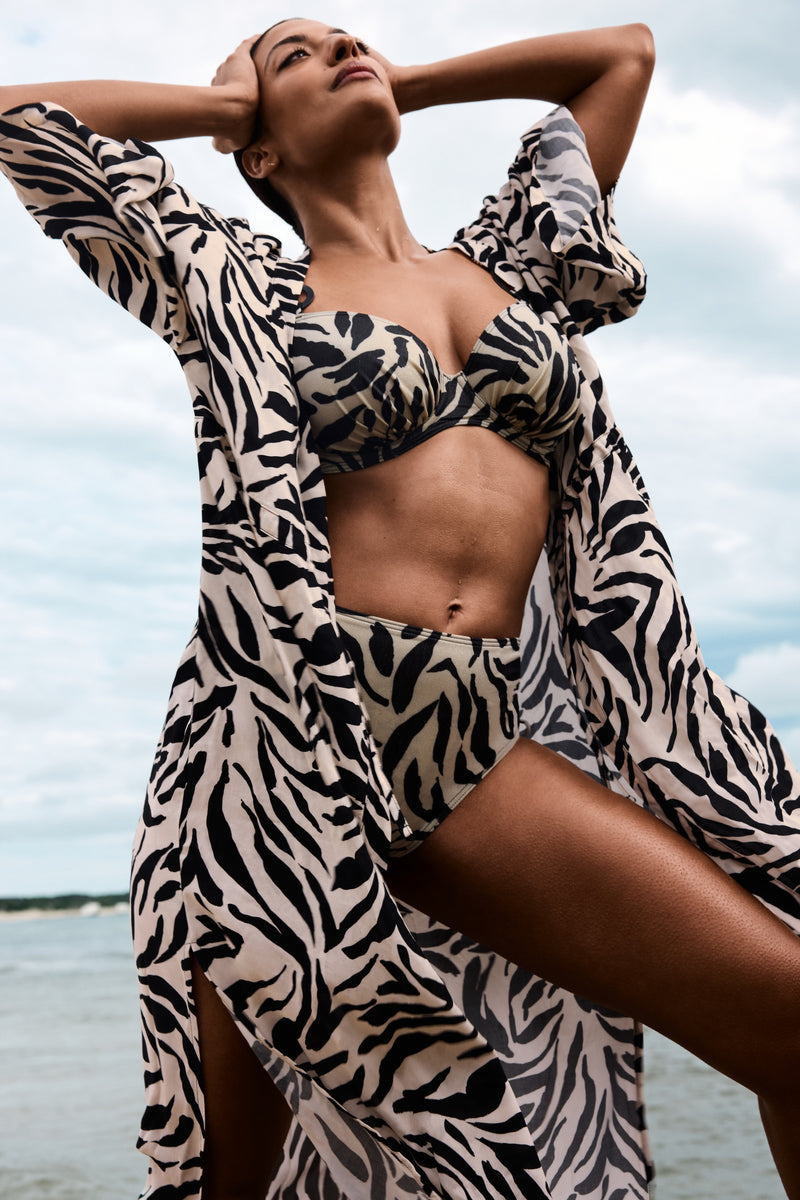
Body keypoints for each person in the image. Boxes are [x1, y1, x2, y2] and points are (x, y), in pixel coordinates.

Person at [1, 18, 799, 1200]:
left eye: (351, 35)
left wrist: (399, 83)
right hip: (282, 754)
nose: (339, 46)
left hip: (475, 737)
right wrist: (232, 113)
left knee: (781, 1020)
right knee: (226, 1178)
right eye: (294, 52)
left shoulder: (519, 261)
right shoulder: (230, 276)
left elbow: (618, 55)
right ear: (257, 152)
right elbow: (20, 115)